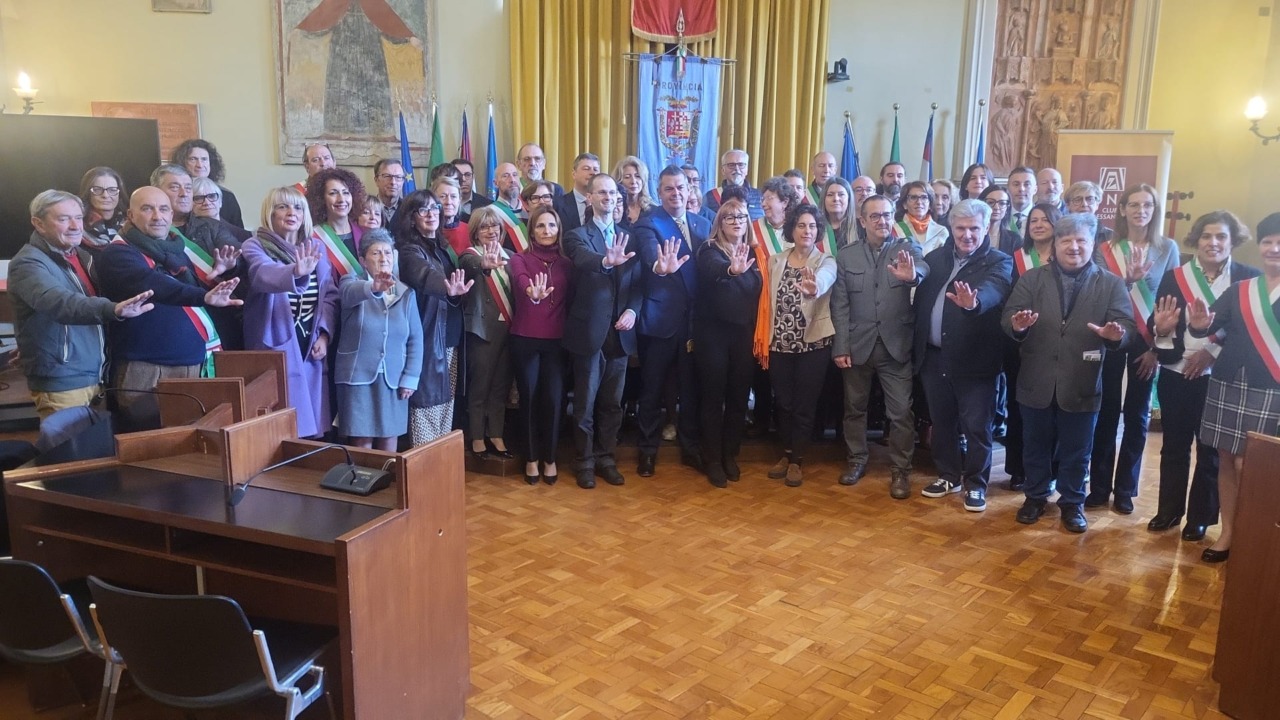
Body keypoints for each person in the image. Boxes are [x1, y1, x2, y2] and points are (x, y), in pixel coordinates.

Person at [1002, 212, 1134, 533]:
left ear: (1092, 244)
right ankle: (1035, 497)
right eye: (1066, 240)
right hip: (1036, 379)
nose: (1074, 247)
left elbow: (1126, 325)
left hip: (1082, 380)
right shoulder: (1032, 279)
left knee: (1078, 450)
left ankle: (1072, 503)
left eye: (1081, 240)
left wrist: (1116, 335)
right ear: (1055, 245)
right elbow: (1009, 317)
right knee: (1035, 445)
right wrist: (1017, 325)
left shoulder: (1111, 283)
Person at [1149, 211, 1259, 543]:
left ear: (1232, 241)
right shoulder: (1174, 277)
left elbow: (1246, 332)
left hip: (1221, 378)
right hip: (1176, 373)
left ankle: (1199, 518)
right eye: (1206, 236)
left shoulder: (1247, 279)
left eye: (1221, 236)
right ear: (1196, 240)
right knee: (1174, 445)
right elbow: (1162, 323)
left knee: (1212, 451)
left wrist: (1210, 352)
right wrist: (1161, 332)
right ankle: (1169, 510)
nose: (1213, 243)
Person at [94, 187, 242, 429]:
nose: (157, 216)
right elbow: (157, 285)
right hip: (147, 368)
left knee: (190, 441)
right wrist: (204, 297)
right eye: (147, 209)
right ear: (130, 215)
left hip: (192, 362)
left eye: (164, 209)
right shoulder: (117, 253)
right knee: (147, 441)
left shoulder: (174, 249)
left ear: (172, 215)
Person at [1185, 212, 1280, 563]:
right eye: (1268, 241)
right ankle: (1228, 533)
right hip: (1229, 383)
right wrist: (1198, 325)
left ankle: (1255, 536)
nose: (1273, 248)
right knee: (1226, 459)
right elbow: (1207, 326)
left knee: (1254, 465)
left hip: (1271, 387)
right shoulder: (1242, 289)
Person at [10, 190, 154, 418]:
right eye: (63, 219)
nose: (75, 226)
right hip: (63, 379)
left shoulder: (83, 257)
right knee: (71, 442)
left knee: (96, 441)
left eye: (78, 217)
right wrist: (113, 309)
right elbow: (59, 303)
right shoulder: (27, 263)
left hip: (95, 374)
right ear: (38, 223)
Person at [913, 199, 1013, 512]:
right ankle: (948, 476)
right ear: (951, 228)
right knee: (942, 422)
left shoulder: (999, 261)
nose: (967, 235)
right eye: (960, 228)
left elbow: (994, 290)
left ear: (986, 228)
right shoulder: (936, 258)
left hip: (975, 361)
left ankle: (976, 484)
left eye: (974, 228)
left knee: (976, 427)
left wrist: (974, 303)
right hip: (934, 357)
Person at [1088, 183, 1180, 514]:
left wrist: (1157, 348)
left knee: (1138, 415)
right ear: (1123, 209)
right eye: (1134, 205)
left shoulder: (1167, 247)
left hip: (1147, 340)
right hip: (1113, 335)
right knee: (1105, 412)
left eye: (1147, 205)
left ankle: (1126, 488)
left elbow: (1173, 300)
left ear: (1154, 210)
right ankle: (1099, 487)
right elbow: (1097, 293)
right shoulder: (1105, 248)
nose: (1141, 211)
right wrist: (1129, 280)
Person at [831, 195, 927, 497]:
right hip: (857, 346)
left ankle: (901, 470)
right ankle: (856, 460)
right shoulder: (846, 256)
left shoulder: (906, 249)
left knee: (901, 413)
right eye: (875, 216)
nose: (882, 221)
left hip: (895, 347)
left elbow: (922, 268)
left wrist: (913, 276)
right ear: (862, 221)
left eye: (887, 215)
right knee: (854, 409)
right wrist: (841, 346)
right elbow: (840, 305)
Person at [562, 173, 642, 489]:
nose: (608, 198)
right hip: (589, 332)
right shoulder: (576, 235)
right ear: (591, 198)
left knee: (612, 403)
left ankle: (606, 458)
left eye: (612, 193)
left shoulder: (629, 237)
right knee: (585, 403)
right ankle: (583, 461)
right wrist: (606, 262)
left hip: (620, 334)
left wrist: (633, 310)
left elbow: (638, 283)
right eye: (602, 193)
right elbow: (583, 260)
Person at [241, 186, 339, 439]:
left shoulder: (316, 247)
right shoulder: (255, 245)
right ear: (270, 213)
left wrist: (324, 335)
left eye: (297, 207)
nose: (291, 213)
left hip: (311, 340)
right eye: (282, 207)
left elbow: (329, 295)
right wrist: (296, 272)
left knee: (312, 423)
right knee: (281, 427)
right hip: (274, 340)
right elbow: (262, 274)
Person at [632, 165, 709, 477]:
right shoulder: (648, 223)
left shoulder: (703, 223)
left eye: (681, 187)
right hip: (660, 322)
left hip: (694, 324)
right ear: (659, 192)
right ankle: (647, 452)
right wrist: (659, 266)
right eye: (669, 189)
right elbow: (650, 255)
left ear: (689, 190)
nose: (676, 193)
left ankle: (690, 449)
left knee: (690, 391)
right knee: (651, 391)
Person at [763, 204, 836, 487]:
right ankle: (785, 453)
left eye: (812, 226)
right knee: (783, 403)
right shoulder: (776, 260)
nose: (807, 231)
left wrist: (814, 287)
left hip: (812, 345)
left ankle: (797, 460)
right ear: (792, 229)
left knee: (804, 405)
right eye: (802, 225)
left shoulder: (826, 261)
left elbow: (826, 279)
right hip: (779, 343)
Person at [694, 190, 762, 488]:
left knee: (738, 398)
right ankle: (711, 459)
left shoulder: (755, 254)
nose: (736, 221)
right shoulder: (709, 250)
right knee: (713, 398)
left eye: (741, 217)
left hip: (743, 336)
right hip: (713, 336)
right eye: (730, 217)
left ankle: (730, 454)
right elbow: (713, 271)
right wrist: (731, 270)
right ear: (720, 223)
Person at [394, 188, 473, 445]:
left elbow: (455, 284)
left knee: (446, 401)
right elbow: (423, 274)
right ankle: (425, 460)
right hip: (428, 337)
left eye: (434, 208)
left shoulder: (442, 246)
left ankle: (439, 457)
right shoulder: (409, 250)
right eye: (423, 210)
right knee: (427, 402)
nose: (431, 214)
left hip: (450, 336)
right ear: (411, 218)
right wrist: (446, 287)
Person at [335, 229, 422, 451]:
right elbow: (348, 294)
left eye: (388, 252)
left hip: (394, 378)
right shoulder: (351, 283)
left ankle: (386, 475)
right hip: (357, 376)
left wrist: (411, 377)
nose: (384, 258)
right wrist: (373, 287)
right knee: (361, 438)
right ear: (363, 261)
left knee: (389, 438)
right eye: (376, 253)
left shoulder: (406, 293)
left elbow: (415, 339)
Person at [509, 206, 573, 485]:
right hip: (525, 338)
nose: (547, 231)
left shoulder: (568, 263)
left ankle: (550, 458)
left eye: (552, 225)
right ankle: (531, 458)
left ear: (559, 229)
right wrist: (530, 292)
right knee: (530, 399)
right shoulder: (520, 259)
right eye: (540, 226)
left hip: (557, 341)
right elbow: (520, 279)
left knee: (555, 401)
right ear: (531, 230)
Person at [1004, 202, 1062, 490]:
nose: (1038, 225)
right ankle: (1018, 469)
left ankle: (1051, 471)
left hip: (1056, 345)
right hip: (1021, 344)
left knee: (1053, 409)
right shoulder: (1017, 258)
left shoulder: (1066, 259)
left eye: (1045, 220)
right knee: (1019, 408)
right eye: (1033, 220)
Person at [458, 206, 515, 460]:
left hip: (509, 330)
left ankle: (496, 435)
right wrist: (484, 264)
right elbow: (471, 266)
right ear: (475, 232)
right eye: (484, 227)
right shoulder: (470, 255)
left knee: (500, 387)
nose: (490, 231)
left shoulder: (511, 256)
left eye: (495, 226)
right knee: (480, 387)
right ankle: (477, 437)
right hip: (482, 332)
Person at [306, 167, 366, 279]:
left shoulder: (365, 234)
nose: (341, 199)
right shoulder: (313, 238)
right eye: (333, 193)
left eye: (346, 192)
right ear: (321, 198)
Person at [171, 138, 244, 229]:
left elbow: (239, 232)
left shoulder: (227, 196)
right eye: (193, 159)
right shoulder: (176, 196)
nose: (200, 165)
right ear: (182, 163)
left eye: (204, 159)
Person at [704, 149, 764, 221]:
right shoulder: (710, 197)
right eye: (731, 165)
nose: (736, 169)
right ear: (723, 170)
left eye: (741, 165)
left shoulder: (760, 196)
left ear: (747, 170)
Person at [893, 181, 949, 256]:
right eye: (913, 197)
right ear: (904, 204)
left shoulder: (941, 232)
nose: (919, 202)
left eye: (924, 197)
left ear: (930, 205)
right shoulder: (895, 230)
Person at [79, 166, 127, 249]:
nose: (105, 195)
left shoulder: (131, 225)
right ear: (87, 193)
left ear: (120, 193)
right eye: (97, 190)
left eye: (112, 190)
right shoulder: (77, 227)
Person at [192, 176, 252, 242]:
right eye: (199, 198)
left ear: (220, 202)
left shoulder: (245, 236)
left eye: (212, 196)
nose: (207, 203)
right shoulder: (186, 234)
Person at [554, 152, 601, 233]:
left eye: (595, 169)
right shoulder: (558, 205)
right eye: (586, 169)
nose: (592, 173)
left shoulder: (604, 203)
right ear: (574, 174)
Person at [978, 185, 1022, 255]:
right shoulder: (971, 235)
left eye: (1002, 203)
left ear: (1007, 208)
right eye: (990, 202)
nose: (996, 207)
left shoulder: (1015, 239)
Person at [613, 155, 655, 228]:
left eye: (637, 176)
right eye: (627, 177)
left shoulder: (653, 211)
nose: (633, 181)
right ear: (619, 181)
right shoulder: (613, 209)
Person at [433, 176, 470, 256]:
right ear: (433, 200)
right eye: (443, 196)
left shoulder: (470, 230)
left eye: (453, 196)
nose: (448, 202)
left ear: (459, 200)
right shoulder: (428, 231)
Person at [821, 177, 857, 253]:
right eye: (830, 195)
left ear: (849, 199)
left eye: (841, 194)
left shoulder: (860, 228)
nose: (836, 199)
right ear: (823, 199)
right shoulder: (816, 228)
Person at [373, 158, 406, 226]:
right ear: (376, 180)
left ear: (403, 181)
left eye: (398, 177)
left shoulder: (409, 210)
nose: (393, 182)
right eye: (387, 176)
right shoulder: (365, 209)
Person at [1005, 167, 1037, 235]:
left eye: (1027, 184)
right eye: (1016, 184)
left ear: (1035, 189)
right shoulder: (1001, 216)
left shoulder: (1042, 218)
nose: (1021, 189)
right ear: (1008, 189)